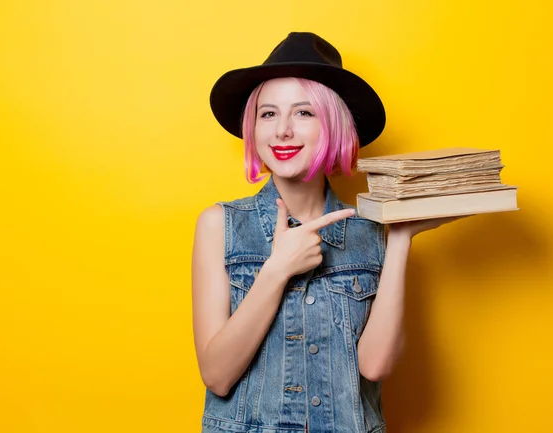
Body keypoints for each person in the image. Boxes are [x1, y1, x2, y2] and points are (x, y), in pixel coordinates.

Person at [192, 32, 459, 433]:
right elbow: (216, 374)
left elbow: (375, 365)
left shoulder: (371, 231)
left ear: (333, 125)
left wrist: (401, 237)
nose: (282, 130)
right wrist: (277, 270)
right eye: (268, 114)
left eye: (303, 113)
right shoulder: (221, 224)